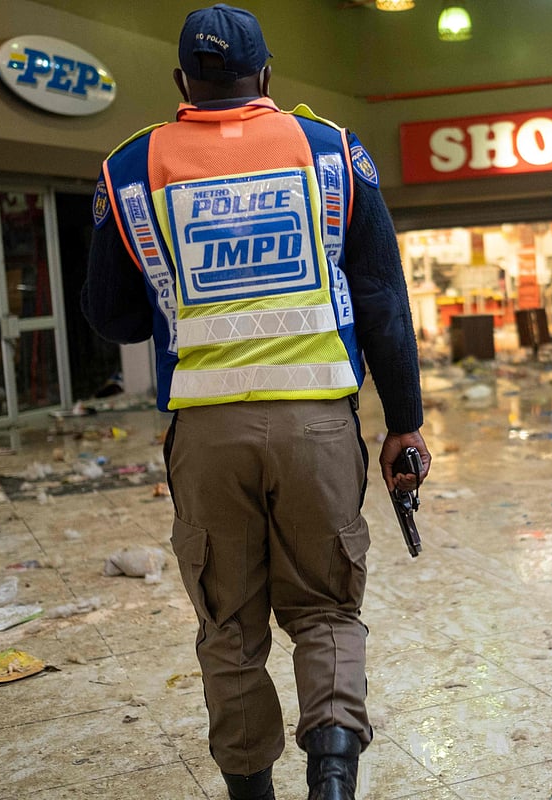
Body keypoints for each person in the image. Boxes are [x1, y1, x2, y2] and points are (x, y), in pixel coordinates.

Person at [81, 6, 430, 799]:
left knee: (230, 628)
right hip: (318, 426)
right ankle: (333, 783)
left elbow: (111, 314)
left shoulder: (130, 169)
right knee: (326, 611)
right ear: (266, 76)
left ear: (181, 83)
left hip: (205, 435)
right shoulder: (333, 153)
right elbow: (381, 298)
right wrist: (402, 424)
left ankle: (250, 791)